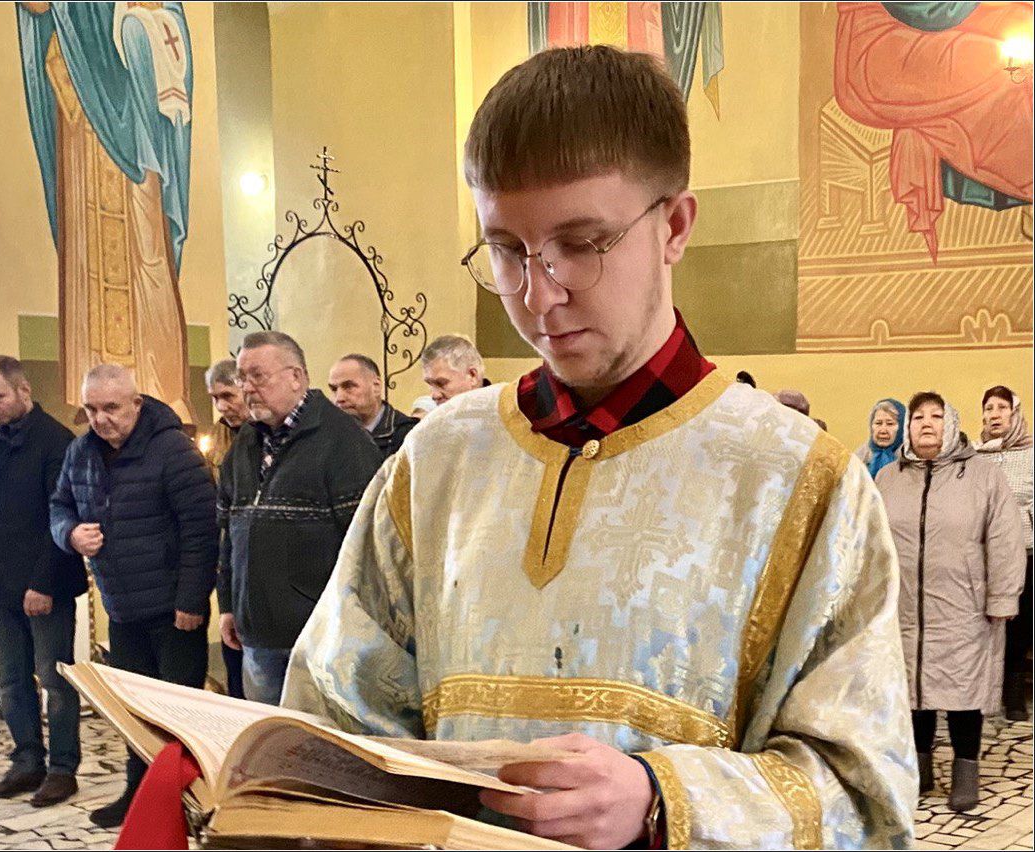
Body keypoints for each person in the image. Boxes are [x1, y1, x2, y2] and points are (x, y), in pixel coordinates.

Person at [283, 44, 916, 848]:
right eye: (506, 249)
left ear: (674, 226)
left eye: (581, 244)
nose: (539, 294)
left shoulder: (800, 480)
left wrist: (661, 800)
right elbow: (336, 710)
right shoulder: (437, 460)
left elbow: (865, 795)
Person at [50, 364, 218, 827]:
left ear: (136, 404)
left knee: (180, 713)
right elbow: (59, 505)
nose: (100, 419)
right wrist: (70, 534)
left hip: (173, 608)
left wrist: (191, 601)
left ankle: (192, 802)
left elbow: (201, 530)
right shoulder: (81, 451)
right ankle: (139, 794)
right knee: (135, 712)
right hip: (122, 606)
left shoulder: (173, 450)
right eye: (91, 409)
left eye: (111, 408)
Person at [875, 392, 1024, 812]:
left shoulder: (983, 476)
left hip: (964, 605)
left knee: (962, 691)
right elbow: (871, 539)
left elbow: (1005, 537)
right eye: (918, 417)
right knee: (912, 689)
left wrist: (1002, 595)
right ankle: (919, 768)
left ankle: (965, 770)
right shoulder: (888, 478)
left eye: (936, 416)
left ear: (952, 423)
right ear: (908, 428)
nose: (926, 423)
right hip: (905, 606)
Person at [217, 331, 383, 705]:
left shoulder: (344, 442)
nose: (247, 388)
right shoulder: (244, 443)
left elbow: (367, 548)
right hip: (257, 637)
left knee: (315, 739)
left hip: (319, 639)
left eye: (258, 376)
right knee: (266, 737)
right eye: (242, 377)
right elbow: (230, 532)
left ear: (296, 377)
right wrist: (228, 605)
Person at [0, 356, 87, 808]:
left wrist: (44, 583)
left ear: (24, 390)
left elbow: (62, 517)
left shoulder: (58, 442)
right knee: (9, 680)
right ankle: (27, 761)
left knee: (56, 679)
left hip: (45, 584)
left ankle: (63, 768)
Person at [974, 385, 1034, 722]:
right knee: (985, 619)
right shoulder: (973, 455)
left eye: (1002, 408)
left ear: (1015, 413)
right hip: (984, 553)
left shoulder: (1031, 452)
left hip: (1026, 549)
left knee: (1021, 621)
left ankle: (1013, 687)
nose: (995, 415)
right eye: (989, 408)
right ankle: (983, 688)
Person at [204, 359, 249, 700]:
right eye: (215, 398)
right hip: (228, 560)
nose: (221, 406)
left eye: (228, 396)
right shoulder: (219, 437)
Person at [328, 353, 418, 457]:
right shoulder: (328, 438)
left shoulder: (409, 435)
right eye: (334, 389)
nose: (339, 398)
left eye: (349, 386)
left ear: (376, 386)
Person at [420, 334, 488, 406]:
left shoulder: (496, 409)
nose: (434, 395)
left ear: (472, 375)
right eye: (430, 385)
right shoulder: (434, 411)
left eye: (441, 383)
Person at [857, 398, 905, 481]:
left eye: (890, 424)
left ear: (902, 427)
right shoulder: (860, 457)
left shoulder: (909, 458)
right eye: (878, 423)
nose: (883, 431)